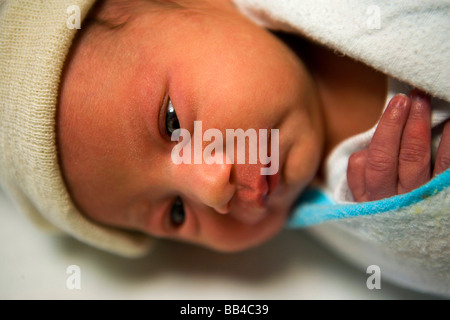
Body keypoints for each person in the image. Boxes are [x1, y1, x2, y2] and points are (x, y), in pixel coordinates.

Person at [1, 0, 448, 257]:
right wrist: (412, 221)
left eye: (171, 123)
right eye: (176, 212)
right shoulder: (350, 210)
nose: (213, 190)